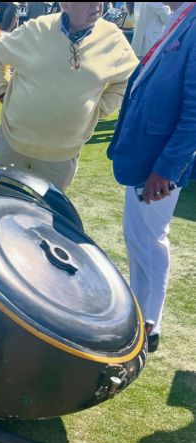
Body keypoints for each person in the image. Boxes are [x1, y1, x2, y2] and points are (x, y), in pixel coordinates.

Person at [107, 1, 196, 353]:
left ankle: (151, 323)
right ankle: (140, 313)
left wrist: (167, 169)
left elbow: (194, 113)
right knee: (137, 238)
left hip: (159, 161)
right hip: (147, 153)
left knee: (151, 239)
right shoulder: (182, 16)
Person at [0, 2, 138, 190]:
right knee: (2, 206)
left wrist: (102, 107)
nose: (97, 5)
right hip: (13, 145)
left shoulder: (113, 39)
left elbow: (130, 78)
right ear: (66, 5)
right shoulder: (37, 28)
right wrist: (1, 91)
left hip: (62, 155)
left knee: (46, 215)